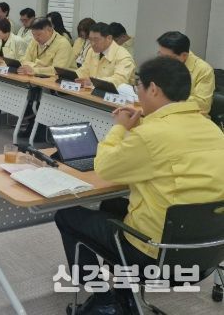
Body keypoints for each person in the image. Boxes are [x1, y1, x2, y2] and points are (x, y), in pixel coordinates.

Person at [55, 57, 224, 315]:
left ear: (153, 89)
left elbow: (105, 168)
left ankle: (103, 301)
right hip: (205, 252)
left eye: (139, 88)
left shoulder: (151, 135)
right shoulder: (213, 129)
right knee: (113, 204)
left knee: (68, 215)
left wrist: (120, 129)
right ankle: (127, 298)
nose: (138, 95)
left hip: (153, 254)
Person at [157, 31, 215, 115]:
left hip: (191, 117)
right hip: (164, 113)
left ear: (184, 55)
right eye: (160, 54)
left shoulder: (204, 70)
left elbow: (203, 106)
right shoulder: (163, 63)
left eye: (167, 57)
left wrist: (170, 97)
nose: (162, 60)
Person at [0, 17, 27, 126]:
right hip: (3, 72)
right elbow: (0, 58)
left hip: (16, 74)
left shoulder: (18, 41)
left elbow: (23, 61)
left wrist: (2, 61)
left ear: (5, 28)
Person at [76, 22, 136, 88]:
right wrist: (74, 77)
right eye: (90, 39)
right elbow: (84, 70)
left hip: (115, 93)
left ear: (109, 38)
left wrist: (93, 82)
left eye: (96, 40)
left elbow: (119, 80)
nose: (92, 44)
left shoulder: (123, 56)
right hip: (93, 90)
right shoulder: (92, 51)